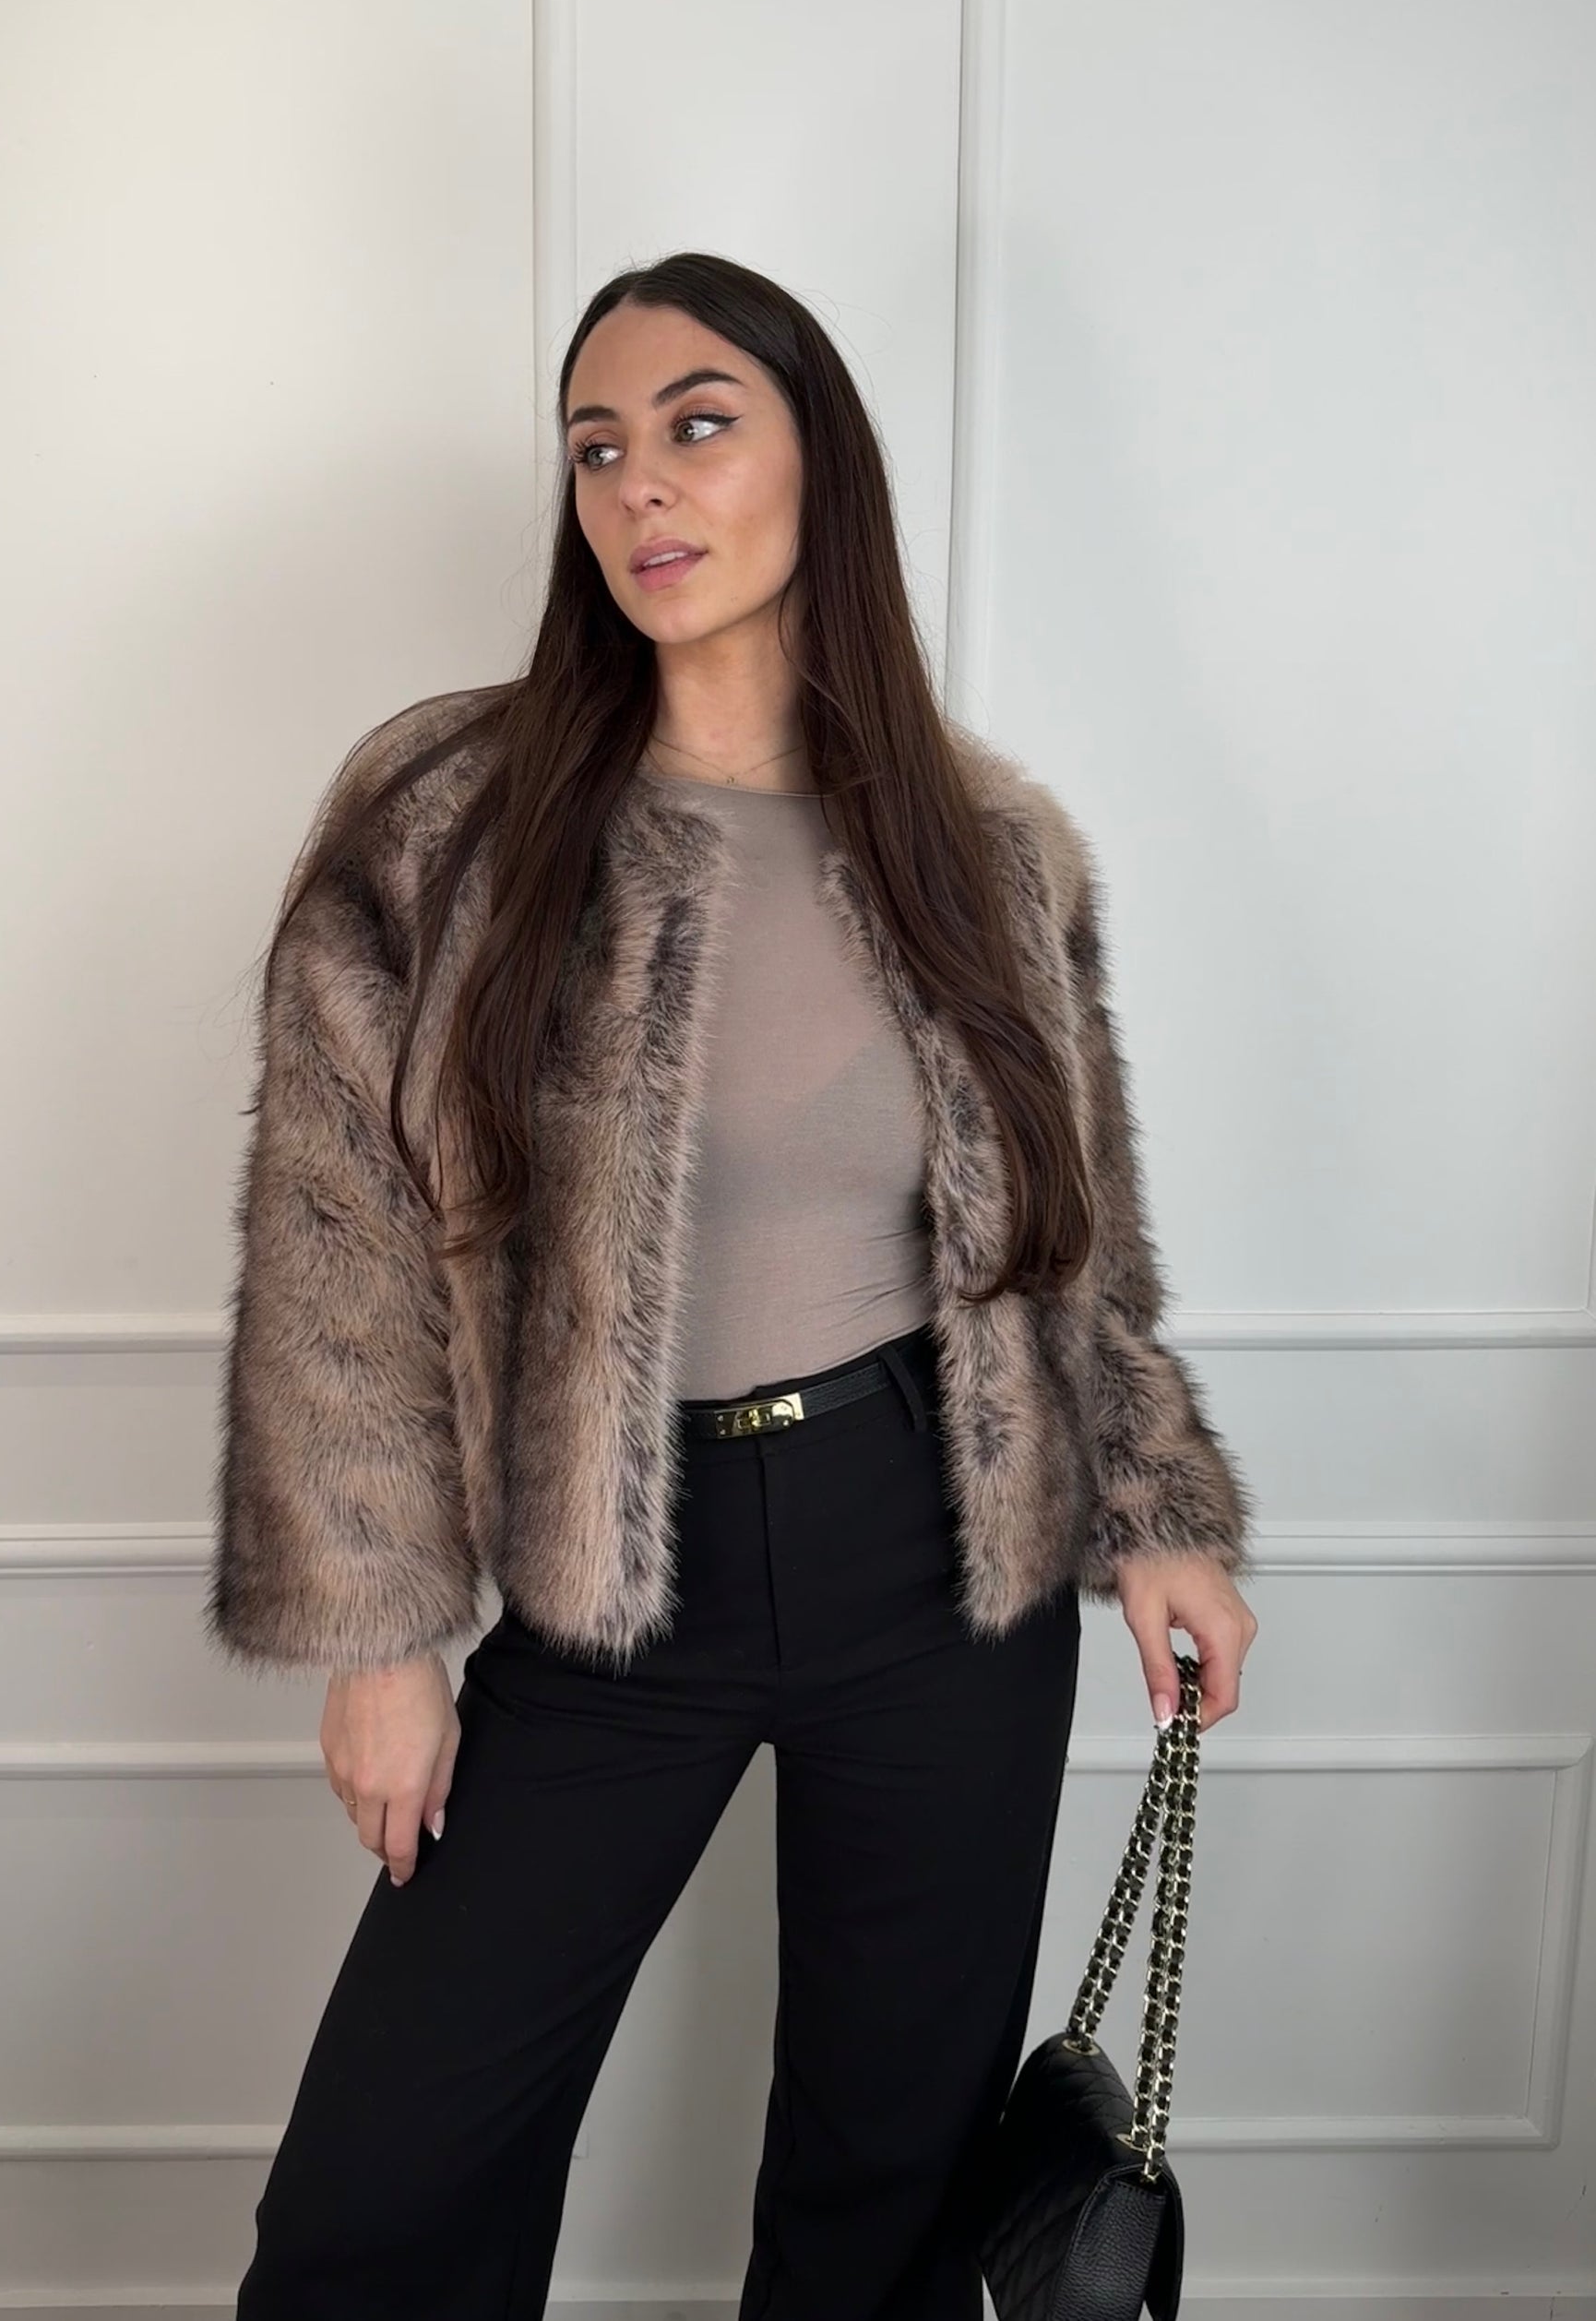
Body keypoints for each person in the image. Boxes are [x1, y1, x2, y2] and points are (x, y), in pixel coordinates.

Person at [208, 249, 1259, 2319]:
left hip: (937, 1558)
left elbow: (1073, 1240)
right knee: (383, 2192)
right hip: (614, 1579)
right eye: (597, 448)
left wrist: (1155, 1513)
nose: (641, 488)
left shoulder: (988, 848)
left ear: (817, 468)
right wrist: (383, 1632)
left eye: (697, 425)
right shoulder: (448, 820)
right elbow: (336, 1242)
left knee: (886, 2181)